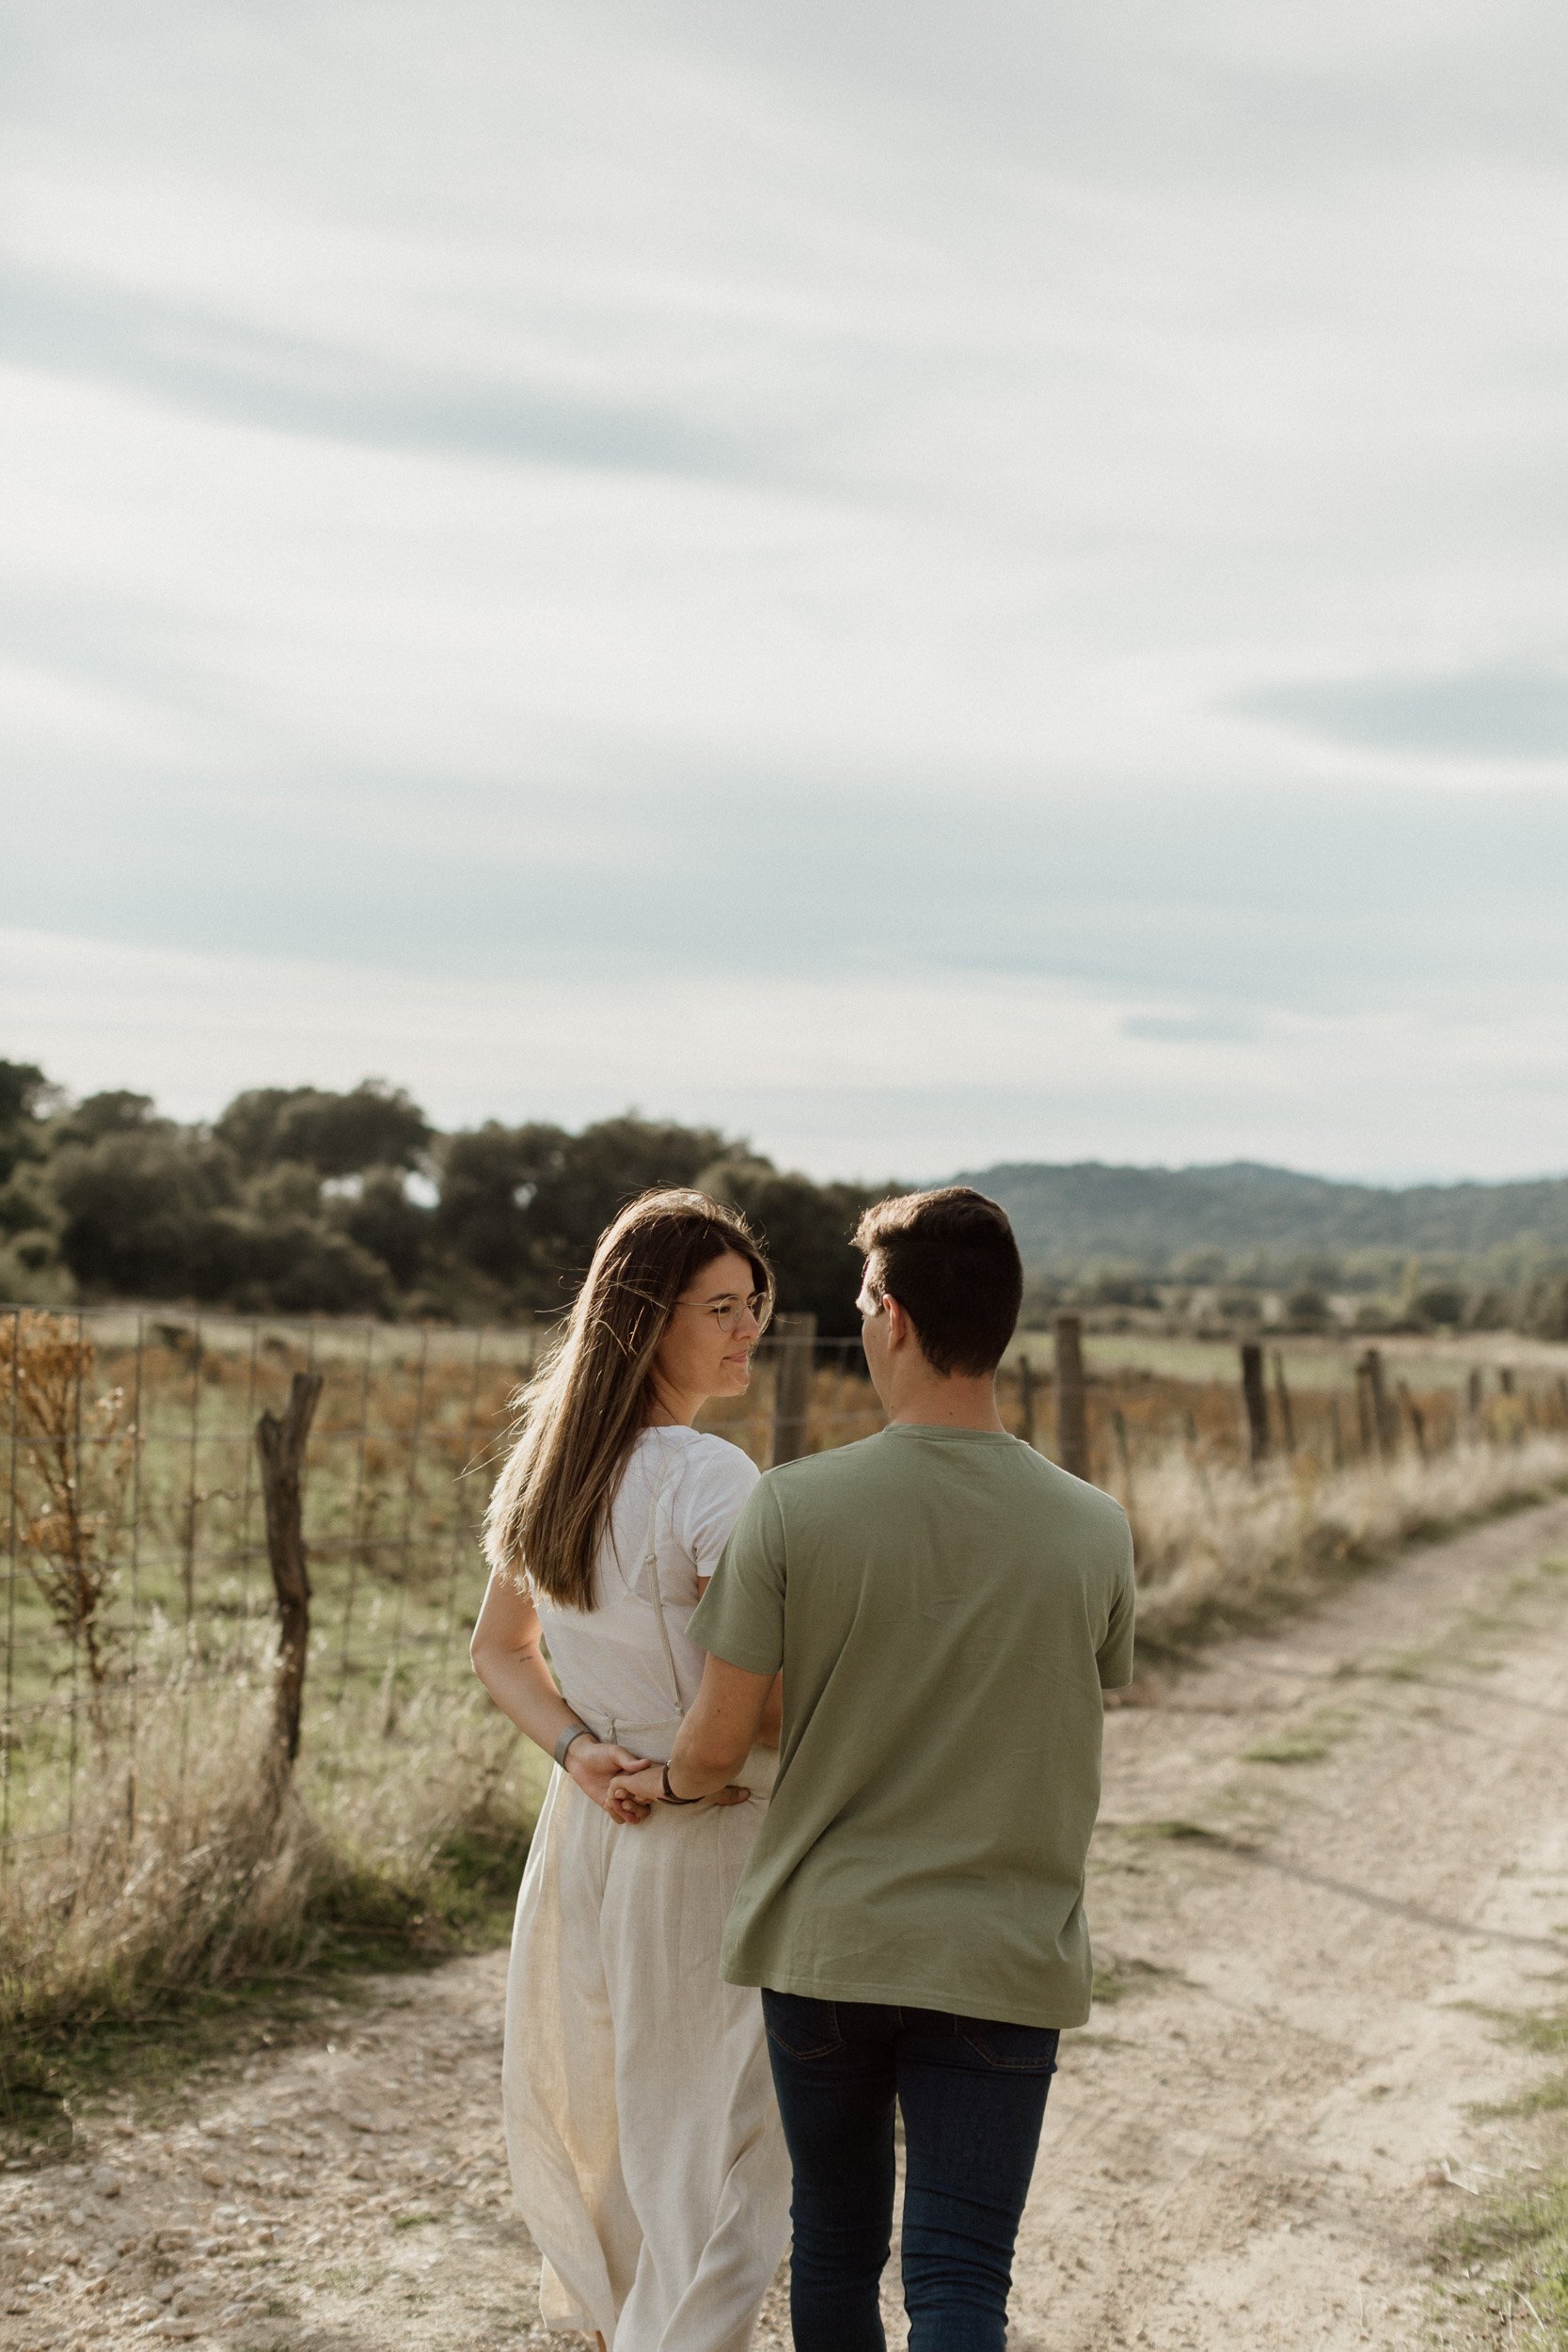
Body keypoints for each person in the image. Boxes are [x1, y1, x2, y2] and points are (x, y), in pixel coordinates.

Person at [610, 1185, 1136, 2352]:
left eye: (859, 1298)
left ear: (890, 1317)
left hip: (828, 1949)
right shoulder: (1093, 1526)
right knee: (957, 2278)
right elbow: (1094, 1677)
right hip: (1001, 1951)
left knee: (836, 2245)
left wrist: (668, 1789)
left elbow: (713, 1738)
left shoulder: (795, 1507)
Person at [470, 1189, 791, 2352]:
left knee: (620, 2126)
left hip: (588, 1831)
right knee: (728, 2158)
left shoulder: (555, 1465)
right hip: (699, 1831)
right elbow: (745, 1693)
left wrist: (576, 1751)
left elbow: (497, 1654)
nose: (745, 1328)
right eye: (719, 1307)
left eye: (752, 1304)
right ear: (647, 1317)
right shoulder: (710, 1476)